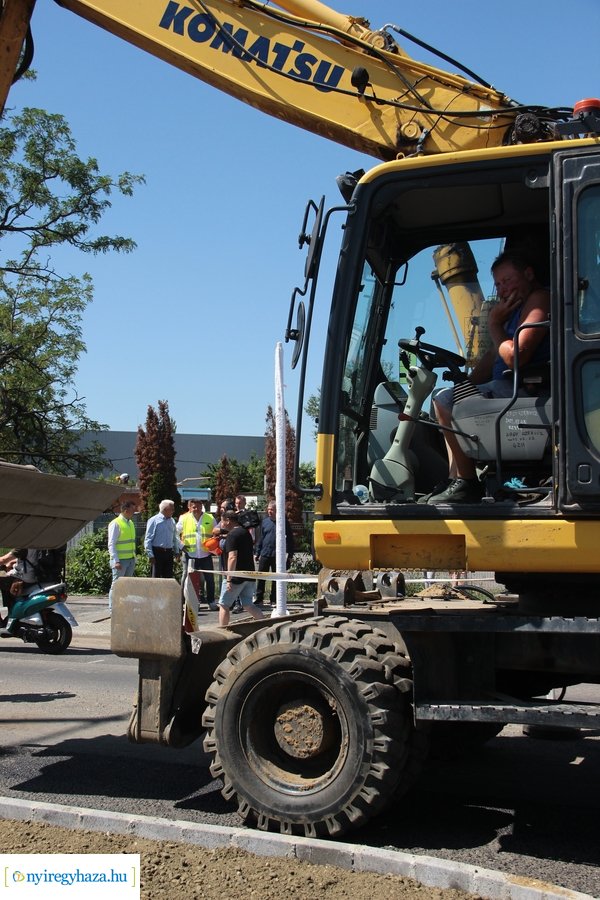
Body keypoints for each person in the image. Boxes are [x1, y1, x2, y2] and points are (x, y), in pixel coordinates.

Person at [428, 250, 550, 505]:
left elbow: (516, 356)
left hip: (529, 391)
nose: (502, 289)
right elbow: (493, 357)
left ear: (528, 274)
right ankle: (456, 479)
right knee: (445, 401)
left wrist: (494, 324)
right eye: (498, 284)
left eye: (508, 280)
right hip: (508, 388)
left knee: (445, 401)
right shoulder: (512, 314)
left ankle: (468, 483)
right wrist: (466, 383)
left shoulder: (539, 298)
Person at [217, 510, 265, 627]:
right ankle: (265, 625)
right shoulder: (245, 532)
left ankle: (222, 630)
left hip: (236, 578)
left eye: (222, 521)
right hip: (248, 575)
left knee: (224, 605)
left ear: (228, 521)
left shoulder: (232, 535)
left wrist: (229, 578)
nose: (221, 524)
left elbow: (232, 557)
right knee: (248, 605)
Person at [177, 498, 218, 609]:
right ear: (189, 508)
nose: (196, 509)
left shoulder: (210, 518)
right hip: (190, 554)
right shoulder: (184, 518)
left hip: (205, 554)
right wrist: (181, 546)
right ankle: (186, 601)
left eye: (199, 507)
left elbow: (216, 533)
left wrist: (214, 545)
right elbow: (174, 534)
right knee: (188, 578)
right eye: (194, 507)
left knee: (209, 578)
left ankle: (211, 601)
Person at [254, 500, 295, 607]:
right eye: (268, 509)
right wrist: (257, 553)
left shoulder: (283, 523)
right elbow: (261, 538)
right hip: (265, 553)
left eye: (271, 509)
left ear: (277, 510)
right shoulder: (265, 522)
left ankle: (274, 599)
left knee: (276, 579)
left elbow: (290, 539)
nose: (269, 511)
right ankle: (259, 599)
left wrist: (290, 555)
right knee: (262, 577)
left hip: (278, 555)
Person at [107, 500, 137, 612]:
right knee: (116, 585)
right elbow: (111, 544)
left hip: (129, 559)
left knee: (126, 585)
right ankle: (112, 609)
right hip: (120, 561)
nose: (134, 511)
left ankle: (123, 607)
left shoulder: (130, 523)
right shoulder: (116, 523)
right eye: (133, 509)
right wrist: (116, 560)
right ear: (126, 510)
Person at [144, 499, 180, 578]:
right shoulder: (153, 520)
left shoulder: (172, 521)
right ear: (165, 509)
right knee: (155, 578)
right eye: (172, 509)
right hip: (157, 553)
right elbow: (148, 539)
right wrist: (151, 555)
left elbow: (174, 537)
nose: (173, 511)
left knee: (168, 578)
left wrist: (177, 551)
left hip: (168, 553)